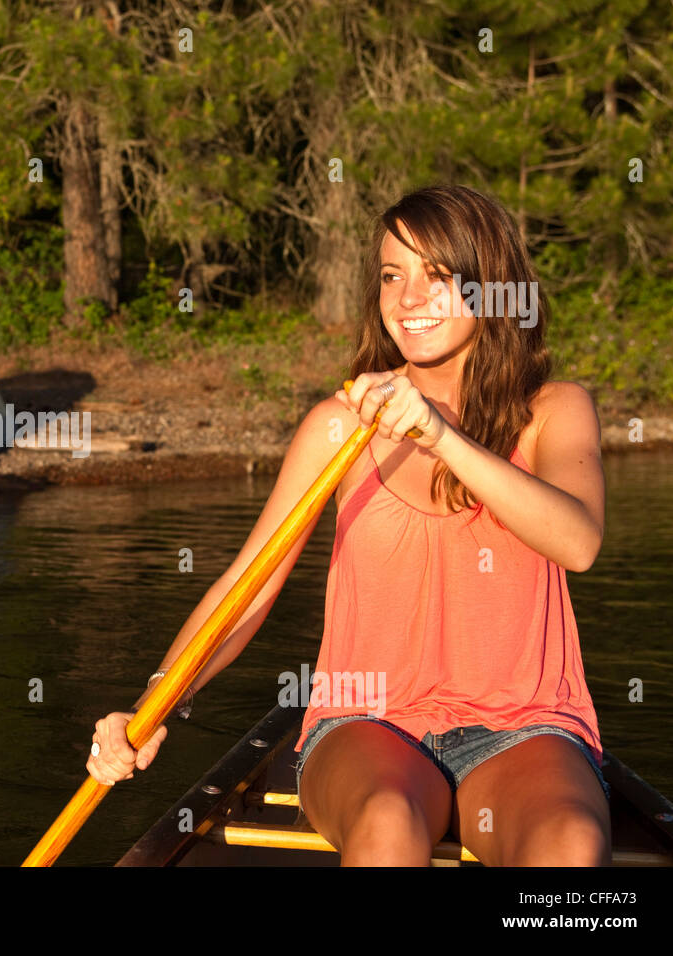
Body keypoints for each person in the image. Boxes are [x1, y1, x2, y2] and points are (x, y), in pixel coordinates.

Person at [86, 184, 611, 867]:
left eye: (440, 276)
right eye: (394, 275)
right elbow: (245, 588)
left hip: (524, 724)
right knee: (389, 822)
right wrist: (155, 703)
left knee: (570, 845)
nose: (408, 298)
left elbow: (578, 542)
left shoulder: (554, 410)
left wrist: (438, 433)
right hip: (371, 721)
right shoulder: (341, 425)